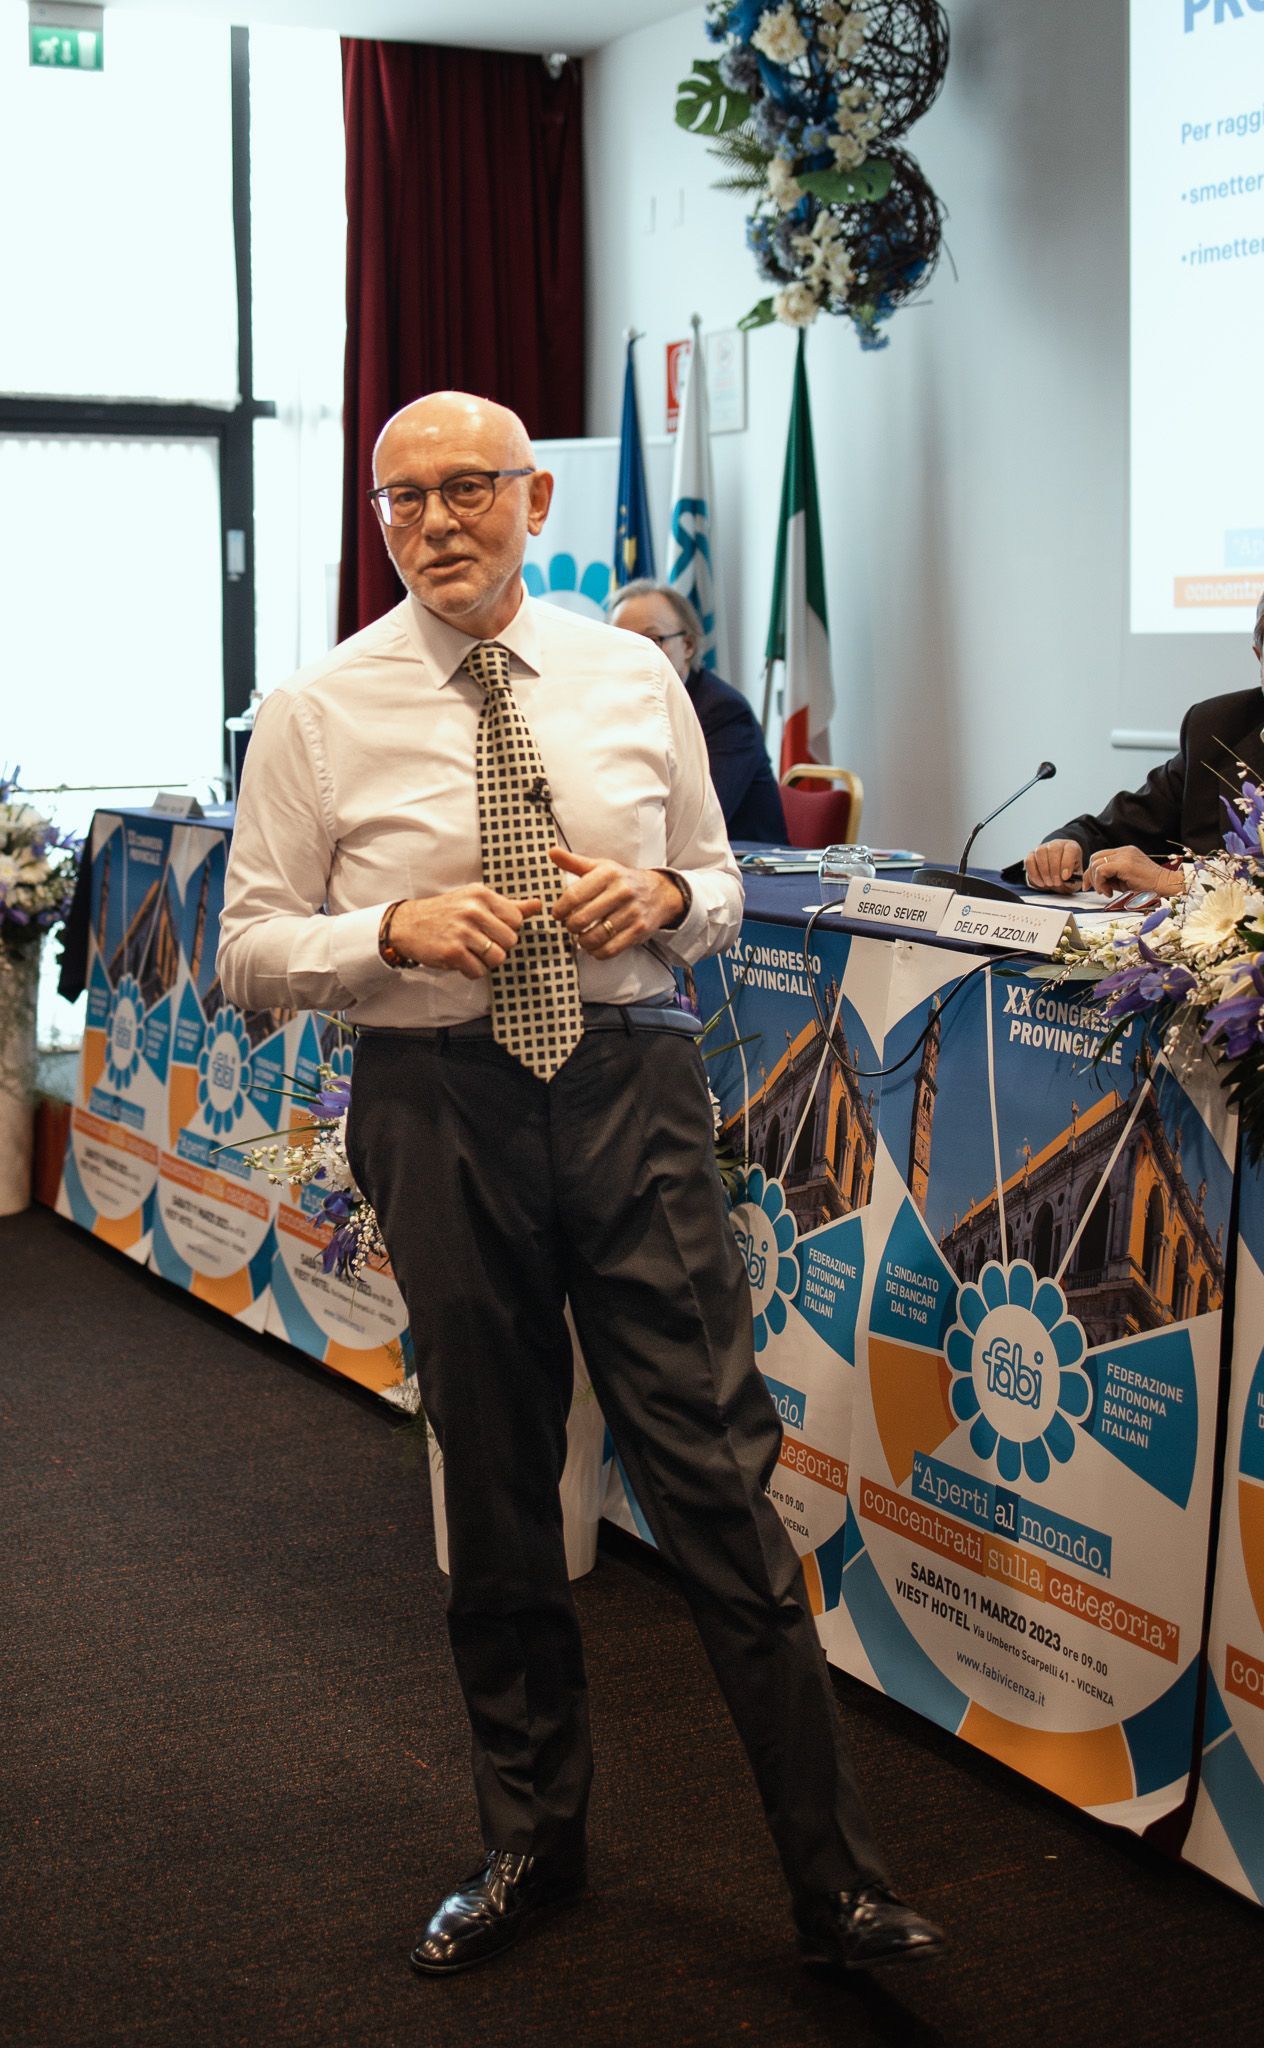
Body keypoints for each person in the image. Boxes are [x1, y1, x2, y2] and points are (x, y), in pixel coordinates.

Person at [218, 392, 942, 1979]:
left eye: (467, 488)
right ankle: (529, 1847)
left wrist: (668, 890)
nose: (435, 523)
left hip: (629, 1090)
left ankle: (836, 1887)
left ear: (534, 500)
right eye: (400, 500)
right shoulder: (318, 709)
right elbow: (248, 943)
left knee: (716, 1485)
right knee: (493, 1487)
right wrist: (382, 937)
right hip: (437, 1104)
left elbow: (727, 883)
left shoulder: (632, 677)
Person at [1020, 563, 1264, 897]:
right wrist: (1067, 847)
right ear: (1260, 657)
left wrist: (1179, 884)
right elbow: (1118, 828)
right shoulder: (1217, 727)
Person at [608, 578, 789, 844]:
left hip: (745, 872)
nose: (636, 653)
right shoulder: (616, 707)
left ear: (689, 646)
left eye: (652, 640)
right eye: (621, 641)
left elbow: (699, 820)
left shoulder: (725, 712)